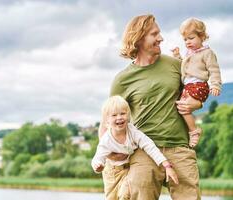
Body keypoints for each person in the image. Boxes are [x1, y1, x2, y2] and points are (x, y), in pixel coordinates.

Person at [99, 14, 202, 200]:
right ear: (138, 38)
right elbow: (107, 122)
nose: (160, 38)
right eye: (155, 34)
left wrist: (198, 102)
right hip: (143, 151)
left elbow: (196, 90)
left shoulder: (176, 65)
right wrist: (108, 152)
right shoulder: (122, 80)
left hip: (180, 148)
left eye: (159, 33)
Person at [92, 95, 179, 200]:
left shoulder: (133, 132)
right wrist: (98, 166)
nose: (119, 117)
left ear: (128, 115)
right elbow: (98, 157)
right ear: (106, 121)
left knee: (125, 194)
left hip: (129, 168)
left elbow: (150, 146)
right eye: (114, 115)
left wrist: (166, 166)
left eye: (122, 113)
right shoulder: (107, 140)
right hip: (112, 172)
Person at [172, 18, 222, 147]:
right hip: (189, 86)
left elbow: (214, 69)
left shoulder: (207, 53)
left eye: (191, 38)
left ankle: (194, 131)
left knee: (183, 107)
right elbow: (185, 66)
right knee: (182, 107)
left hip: (198, 86)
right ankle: (191, 129)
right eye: (185, 40)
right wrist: (178, 57)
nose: (188, 42)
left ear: (202, 37)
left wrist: (215, 85)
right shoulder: (190, 53)